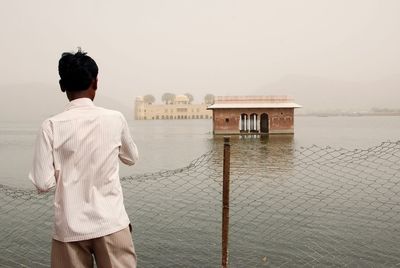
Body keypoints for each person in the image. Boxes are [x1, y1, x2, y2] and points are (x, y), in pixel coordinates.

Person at [29, 49, 138, 267]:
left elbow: (43, 183)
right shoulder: (115, 119)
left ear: (62, 86)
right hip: (111, 223)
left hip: (69, 229)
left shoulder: (50, 126)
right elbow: (131, 158)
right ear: (96, 83)